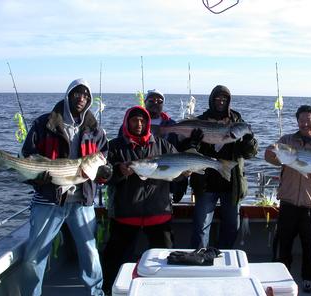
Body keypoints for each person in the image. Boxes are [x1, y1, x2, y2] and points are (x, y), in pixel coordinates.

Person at [20, 78, 109, 296]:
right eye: (77, 93)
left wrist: (105, 173)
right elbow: (25, 157)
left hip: (82, 201)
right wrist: (35, 178)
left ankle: (96, 293)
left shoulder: (96, 130)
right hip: (48, 200)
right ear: (68, 95)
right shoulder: (44, 123)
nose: (82, 98)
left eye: (86, 95)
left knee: (90, 253)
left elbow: (104, 158)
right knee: (34, 257)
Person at [102, 106, 189, 292]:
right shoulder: (114, 146)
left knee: (164, 260)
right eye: (134, 120)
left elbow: (178, 170)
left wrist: (184, 174)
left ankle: (164, 291)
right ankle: (110, 290)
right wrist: (118, 170)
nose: (139, 124)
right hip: (125, 214)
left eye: (142, 120)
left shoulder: (163, 145)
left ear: (148, 122)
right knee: (115, 261)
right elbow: (104, 176)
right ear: (127, 122)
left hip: (159, 213)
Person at [264, 105, 311, 293]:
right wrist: (271, 153)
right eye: (301, 120)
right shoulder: (287, 140)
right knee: (282, 242)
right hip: (288, 200)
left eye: (308, 120)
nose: (305, 124)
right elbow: (271, 158)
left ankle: (309, 277)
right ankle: (279, 277)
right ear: (297, 121)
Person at [188, 85, 258, 249]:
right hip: (206, 183)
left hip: (231, 184)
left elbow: (250, 154)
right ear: (211, 100)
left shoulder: (238, 123)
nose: (221, 101)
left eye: (224, 98)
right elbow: (188, 151)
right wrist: (193, 143)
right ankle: (199, 257)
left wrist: (249, 141)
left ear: (229, 101)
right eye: (217, 98)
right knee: (200, 227)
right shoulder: (201, 120)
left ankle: (221, 257)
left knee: (232, 227)